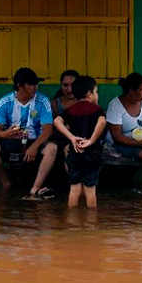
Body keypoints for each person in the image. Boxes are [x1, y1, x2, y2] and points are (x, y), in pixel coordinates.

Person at [0, 67, 58, 199]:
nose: (35, 88)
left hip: (35, 141)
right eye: (31, 85)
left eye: (36, 84)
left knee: (52, 148)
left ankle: (35, 188)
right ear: (20, 86)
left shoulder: (42, 101)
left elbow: (48, 129)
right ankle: (6, 183)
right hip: (12, 142)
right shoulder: (6, 102)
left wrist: (34, 147)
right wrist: (5, 134)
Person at [53, 76, 107, 208]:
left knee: (74, 189)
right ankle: (91, 222)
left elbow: (56, 121)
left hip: (75, 152)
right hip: (92, 154)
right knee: (90, 190)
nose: (97, 95)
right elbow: (102, 121)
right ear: (89, 93)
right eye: (96, 92)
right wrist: (91, 140)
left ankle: (72, 220)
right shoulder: (96, 109)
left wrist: (71, 137)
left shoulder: (70, 110)